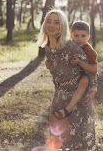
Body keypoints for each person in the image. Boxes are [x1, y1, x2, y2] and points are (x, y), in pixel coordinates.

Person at [37, 9, 97, 151]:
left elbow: (91, 66)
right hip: (59, 96)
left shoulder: (70, 46)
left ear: (62, 26)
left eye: (56, 22)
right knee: (57, 137)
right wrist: (48, 65)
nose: (52, 25)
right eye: (49, 22)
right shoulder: (47, 47)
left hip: (77, 97)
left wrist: (93, 88)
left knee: (77, 141)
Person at [45, 20, 98, 114]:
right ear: (71, 35)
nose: (79, 39)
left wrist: (80, 62)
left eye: (83, 36)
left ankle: (68, 110)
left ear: (88, 37)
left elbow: (94, 69)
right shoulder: (68, 45)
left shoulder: (89, 51)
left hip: (85, 73)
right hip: (69, 77)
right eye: (76, 35)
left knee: (84, 81)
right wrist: (48, 63)